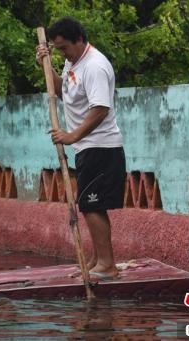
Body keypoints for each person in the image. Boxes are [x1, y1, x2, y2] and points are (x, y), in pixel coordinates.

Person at [36, 17, 126, 280]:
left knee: (91, 205)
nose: (62, 52)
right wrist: (46, 64)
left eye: (64, 48)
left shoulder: (95, 65)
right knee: (90, 205)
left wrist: (71, 135)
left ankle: (107, 265)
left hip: (101, 147)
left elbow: (100, 109)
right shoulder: (73, 61)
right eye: (58, 48)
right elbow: (63, 91)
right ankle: (98, 260)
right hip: (86, 148)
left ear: (79, 40)